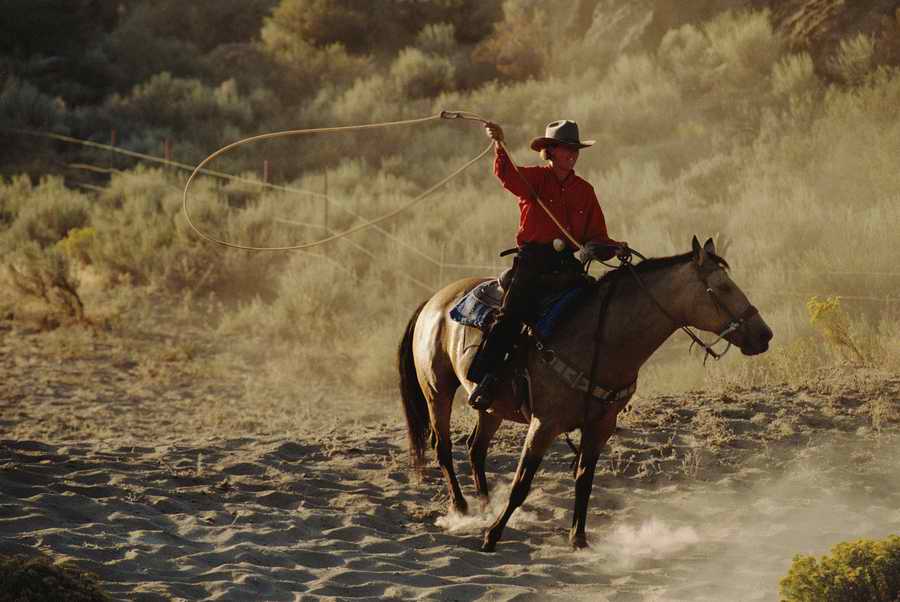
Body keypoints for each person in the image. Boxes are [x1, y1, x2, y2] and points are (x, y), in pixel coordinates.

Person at [467, 119, 628, 410]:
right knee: (510, 316)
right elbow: (506, 176)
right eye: (566, 148)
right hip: (532, 263)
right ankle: (485, 379)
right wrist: (498, 143)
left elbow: (596, 237)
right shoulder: (534, 179)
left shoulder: (585, 191)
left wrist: (614, 248)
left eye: (575, 149)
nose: (572, 154)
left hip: (566, 266)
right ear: (550, 151)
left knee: (595, 308)